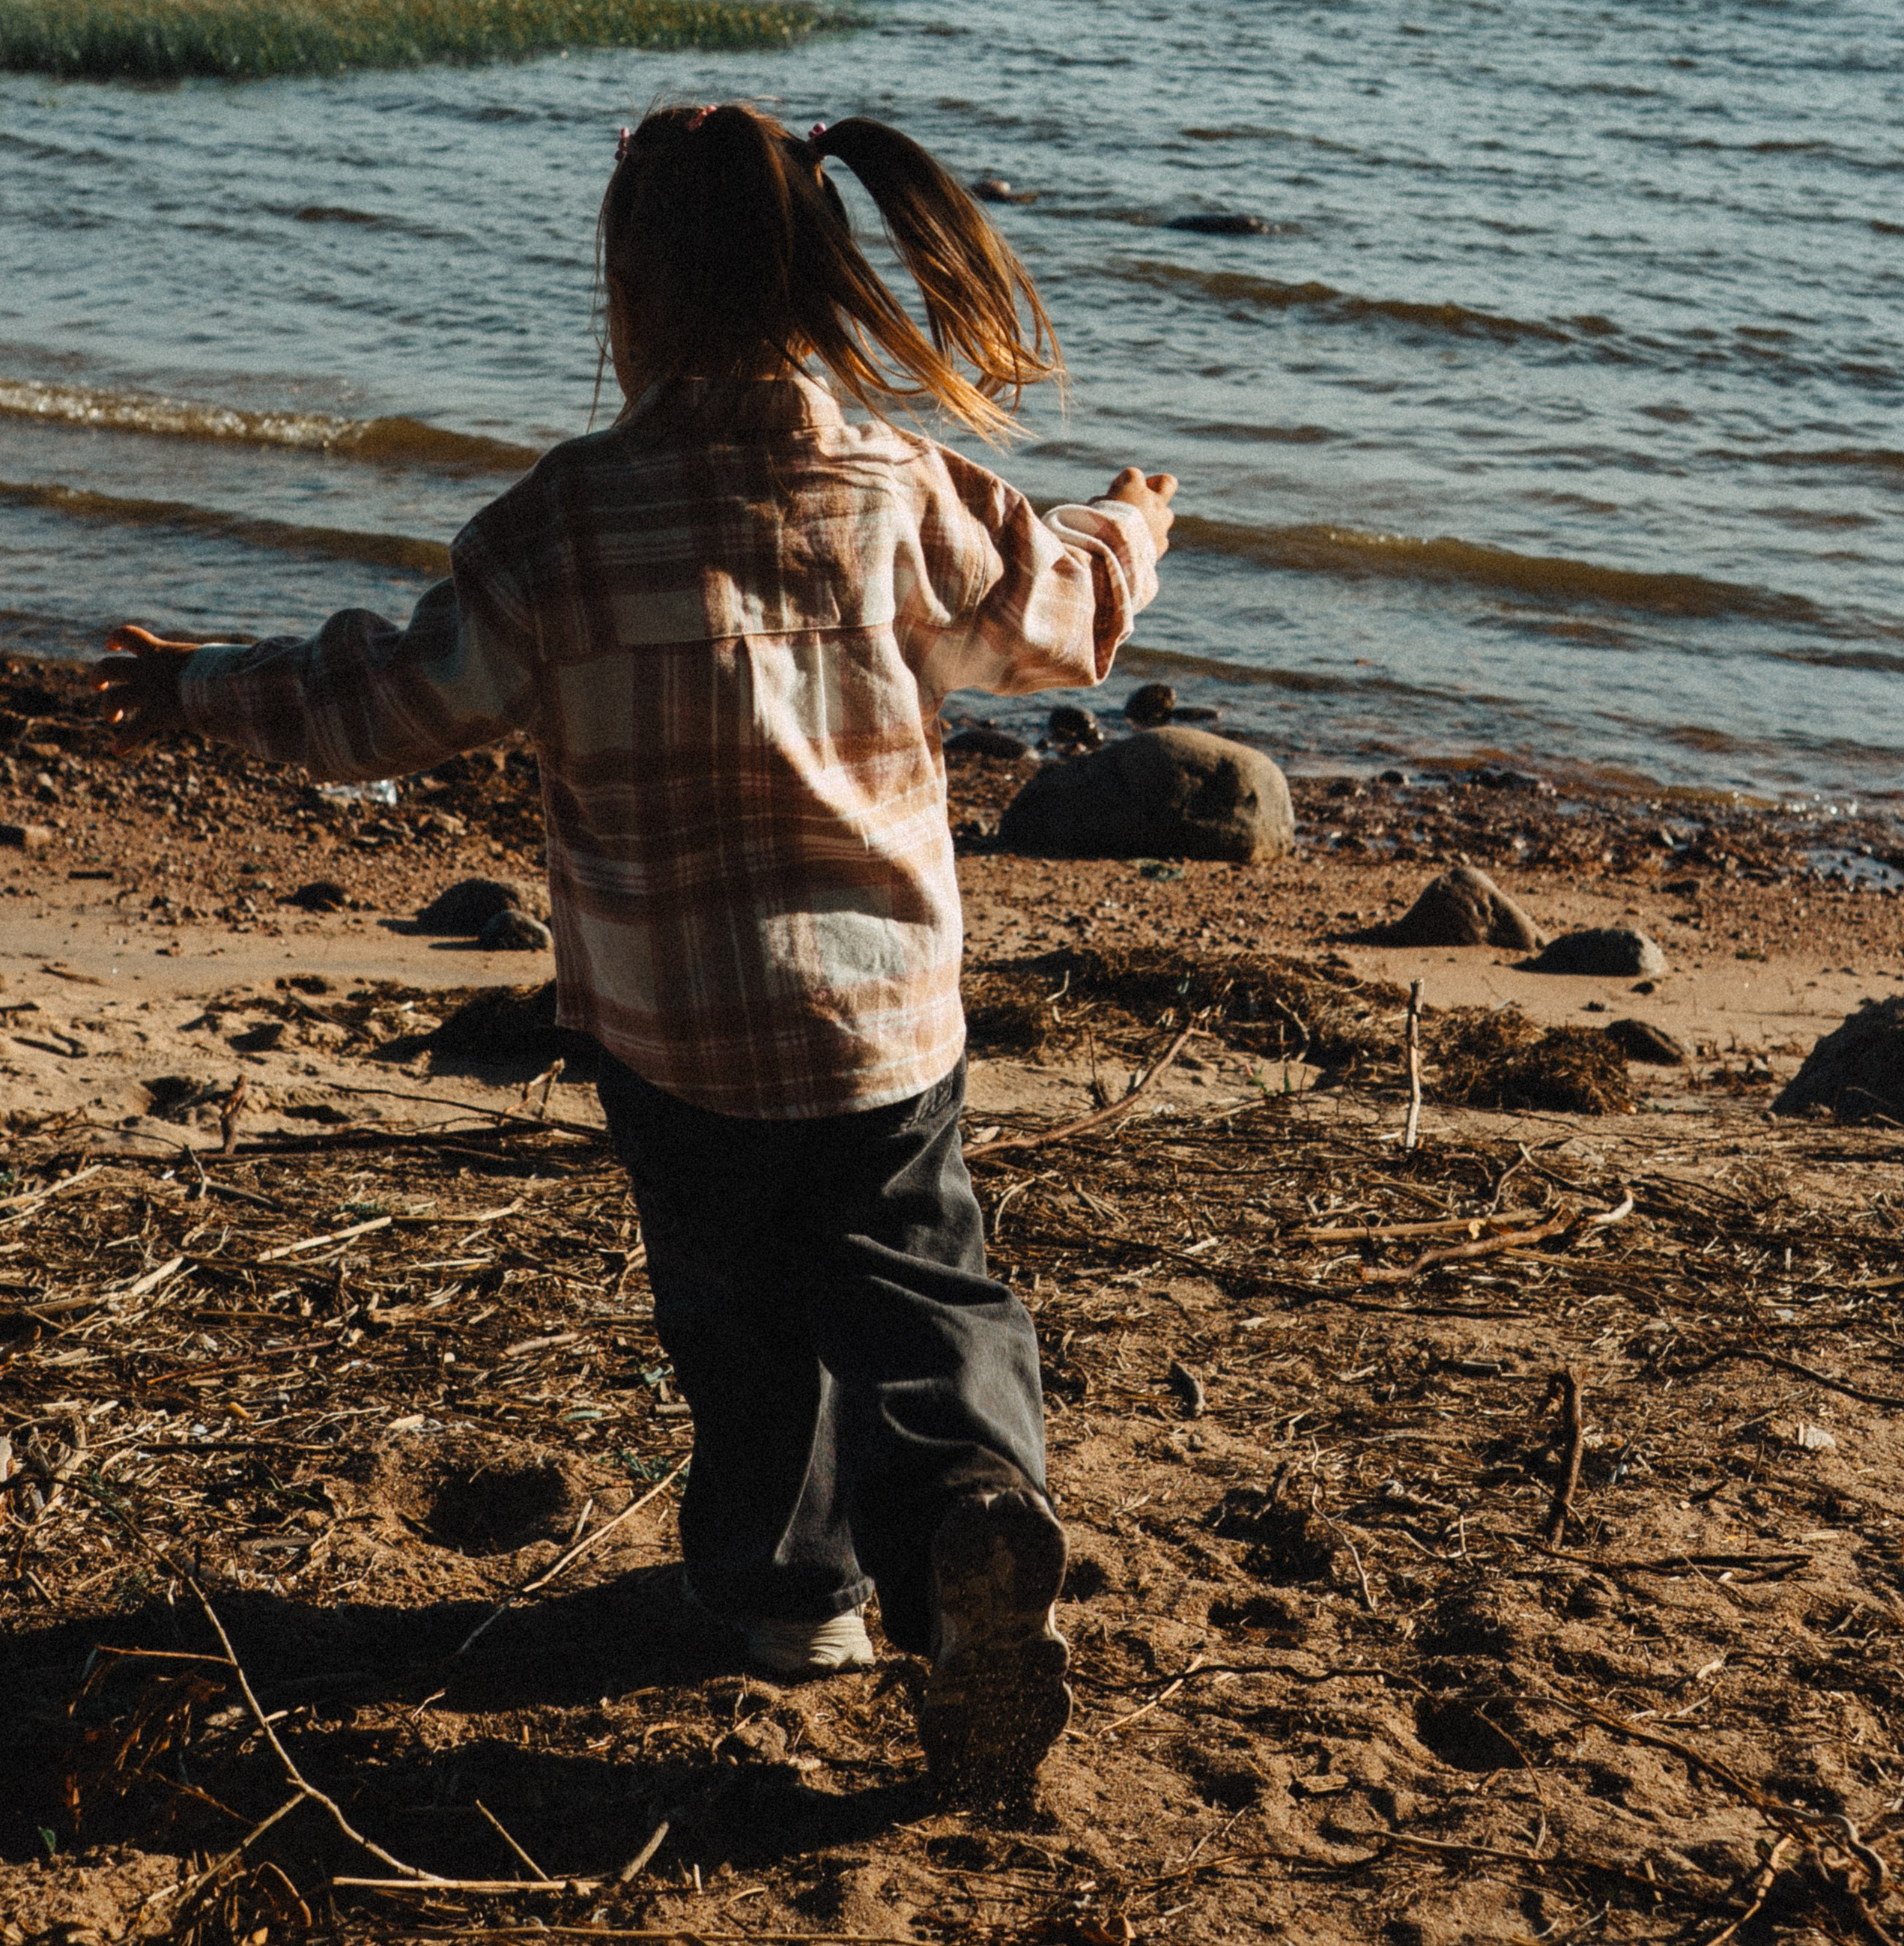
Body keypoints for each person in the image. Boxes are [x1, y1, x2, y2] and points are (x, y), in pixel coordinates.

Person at [94, 103, 1175, 1798]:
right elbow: (1063, 616)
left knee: (739, 1326)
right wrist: (1132, 519)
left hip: (674, 1034)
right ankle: (970, 1517)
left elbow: (384, 702)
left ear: (630, 291)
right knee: (923, 1295)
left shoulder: (557, 528)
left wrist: (198, 688)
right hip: (881, 1020)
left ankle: (791, 1598)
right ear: (818, 279)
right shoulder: (902, 491)